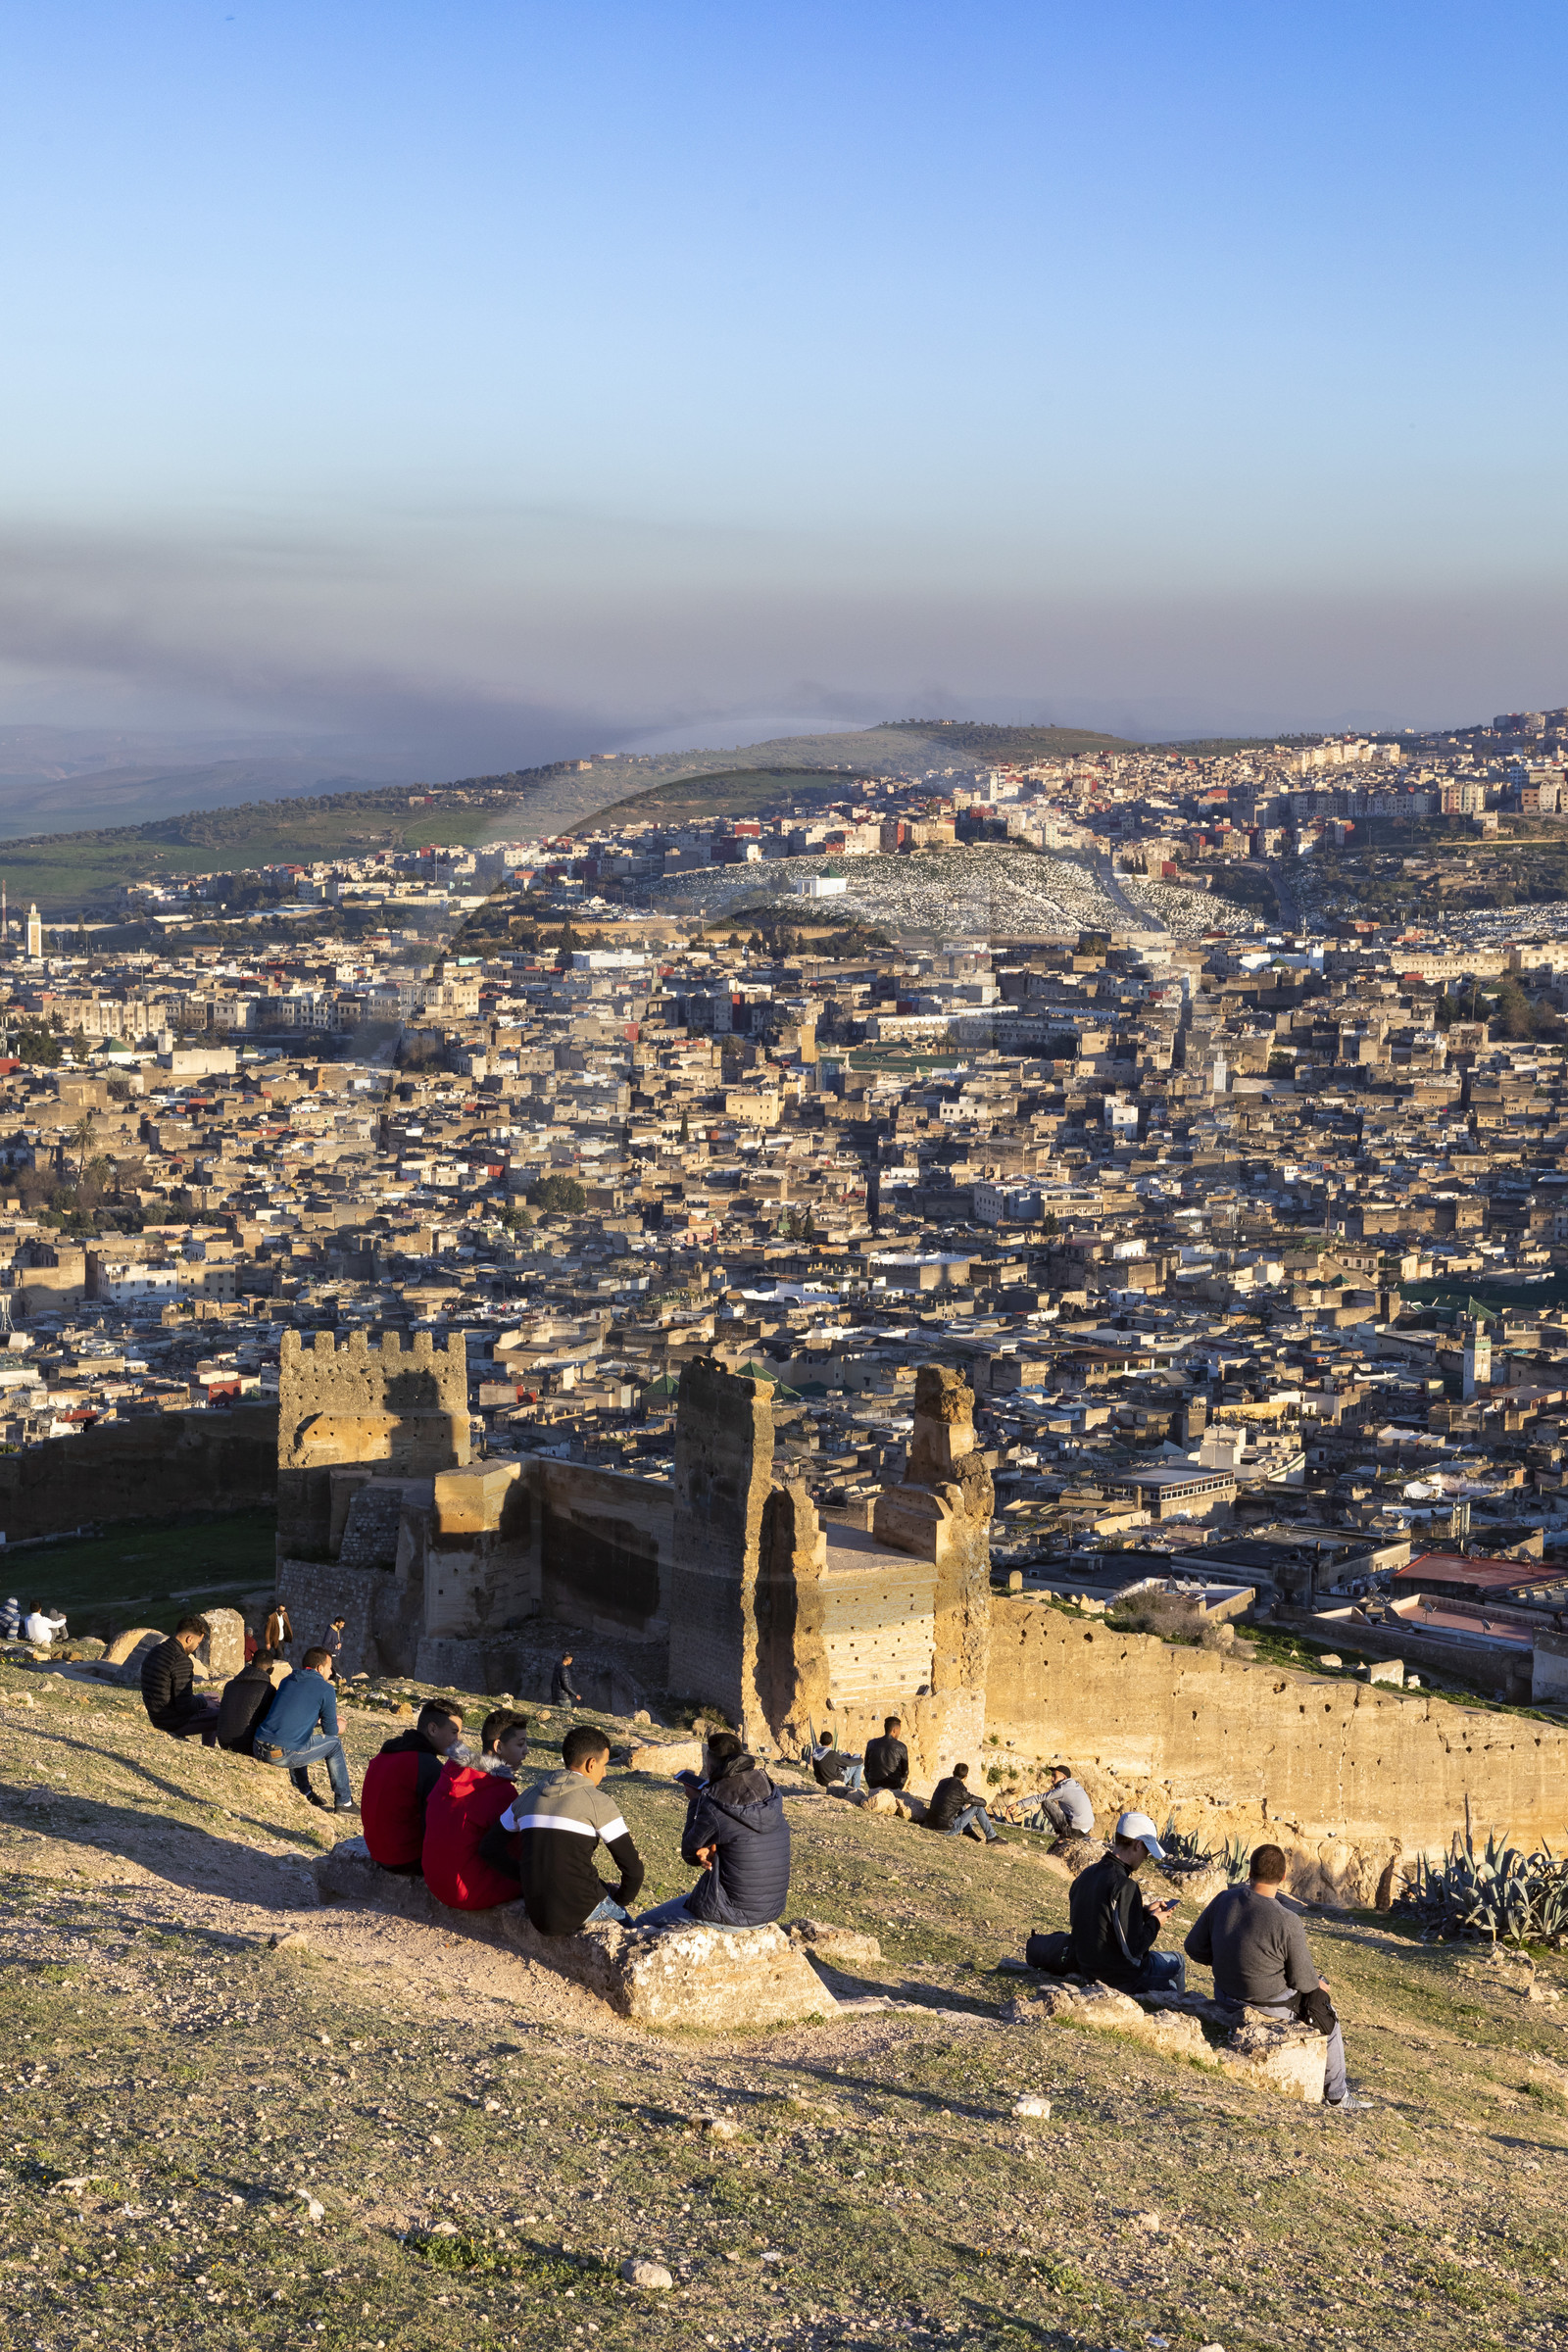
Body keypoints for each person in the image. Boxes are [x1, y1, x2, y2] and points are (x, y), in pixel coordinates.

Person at [1185, 1842, 1368, 2111]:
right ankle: (1338, 2096)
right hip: (1267, 2004)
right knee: (1325, 2008)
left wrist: (1229, 1958)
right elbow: (1304, 1982)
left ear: (1250, 1871)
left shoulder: (1224, 1899)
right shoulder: (1287, 1919)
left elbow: (1193, 1947)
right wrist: (1318, 1984)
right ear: (1283, 1877)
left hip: (1224, 1993)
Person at [478, 1724, 645, 1936]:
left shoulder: (527, 1796)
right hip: (580, 1909)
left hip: (537, 1911)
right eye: (604, 1765)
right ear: (591, 1764)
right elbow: (634, 1871)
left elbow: (489, 1849)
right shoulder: (598, 1802)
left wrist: (526, 1876)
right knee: (636, 1934)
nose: (604, 1773)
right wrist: (619, 1901)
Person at [638, 1731, 792, 1932]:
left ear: (710, 1766)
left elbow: (689, 1854)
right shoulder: (770, 1793)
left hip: (730, 1913)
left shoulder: (714, 1804)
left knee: (640, 1924)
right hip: (769, 1910)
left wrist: (695, 1801)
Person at [421, 1710, 533, 1911]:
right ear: (498, 1746)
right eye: (520, 1744)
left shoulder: (451, 1772)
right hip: (467, 1891)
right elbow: (517, 1849)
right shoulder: (500, 1791)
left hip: (434, 1881)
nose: (526, 1751)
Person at [1067, 1810, 1186, 1995]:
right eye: (1147, 1849)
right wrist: (1155, 1922)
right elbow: (1133, 1949)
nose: (1146, 1856)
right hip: (1118, 1975)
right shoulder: (1125, 1885)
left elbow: (1102, 1919)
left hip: (1086, 1965)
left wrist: (1144, 1912)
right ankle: (1180, 2005)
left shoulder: (1087, 1874)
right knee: (1178, 1961)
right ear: (1138, 1845)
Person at [362, 1701, 467, 1875]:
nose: (458, 1740)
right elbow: (435, 1827)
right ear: (433, 1729)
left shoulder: (389, 1751)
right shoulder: (427, 1765)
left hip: (377, 1851)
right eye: (454, 1732)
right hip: (404, 1859)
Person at [253, 1645, 357, 1812]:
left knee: (300, 1736)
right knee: (334, 1744)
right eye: (330, 1668)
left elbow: (293, 1718)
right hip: (281, 1754)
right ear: (320, 1668)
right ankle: (344, 1801)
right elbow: (330, 1731)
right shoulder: (326, 1689)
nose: (331, 1673)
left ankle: (304, 1791)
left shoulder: (288, 1680)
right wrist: (340, 1726)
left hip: (258, 1747)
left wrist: (319, 1720)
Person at [141, 1616, 221, 1744]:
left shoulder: (156, 1650)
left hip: (158, 1715)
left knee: (214, 1696)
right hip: (174, 1722)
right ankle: (209, 1748)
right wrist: (204, 1703)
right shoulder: (181, 1660)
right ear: (189, 1639)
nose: (196, 1647)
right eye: (198, 1643)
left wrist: (204, 1701)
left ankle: (208, 1746)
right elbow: (185, 1706)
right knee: (224, 1714)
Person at [215, 1647, 286, 1753]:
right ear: (271, 1670)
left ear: (250, 1664)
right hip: (247, 1745)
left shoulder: (230, 1685)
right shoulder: (268, 1690)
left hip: (223, 1741)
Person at [925, 1760, 1002, 1844]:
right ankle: (992, 1837)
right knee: (978, 1808)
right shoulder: (961, 1790)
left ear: (953, 1772)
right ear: (966, 1776)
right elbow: (983, 1803)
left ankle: (968, 1830)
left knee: (958, 1802)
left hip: (930, 1824)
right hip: (946, 1830)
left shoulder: (942, 1782)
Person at [1037, 1765, 1095, 1840]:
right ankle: (1065, 1834)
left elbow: (1039, 1798)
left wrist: (1018, 1803)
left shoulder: (1063, 1790)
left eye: (1054, 1776)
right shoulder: (1077, 1787)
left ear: (1064, 1777)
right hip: (1085, 1830)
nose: (1052, 1779)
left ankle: (1061, 1833)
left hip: (1074, 1832)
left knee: (1046, 1802)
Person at [863, 1715, 909, 1792]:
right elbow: (905, 1772)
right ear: (894, 1730)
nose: (899, 1733)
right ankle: (896, 1792)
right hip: (893, 1785)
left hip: (874, 1784)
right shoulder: (902, 1746)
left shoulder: (871, 1743)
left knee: (866, 1770)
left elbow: (866, 1767)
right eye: (899, 1731)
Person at [320, 1615, 347, 1679]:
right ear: (337, 1623)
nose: (343, 1626)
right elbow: (325, 1644)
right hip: (332, 1656)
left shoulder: (337, 1630)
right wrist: (335, 1647)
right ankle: (336, 1686)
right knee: (338, 1672)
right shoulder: (330, 1631)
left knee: (336, 1673)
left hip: (336, 1655)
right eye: (342, 1624)